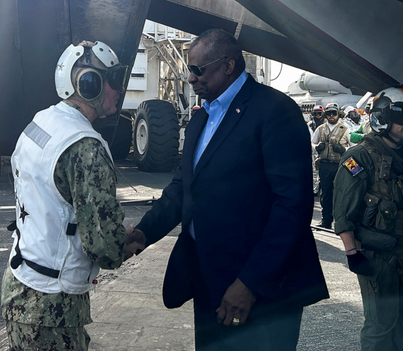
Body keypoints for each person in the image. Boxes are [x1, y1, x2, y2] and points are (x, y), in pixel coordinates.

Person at [130, 28, 328, 350]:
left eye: (198, 70)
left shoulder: (275, 111)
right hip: (209, 277)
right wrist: (143, 232)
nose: (191, 78)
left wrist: (250, 282)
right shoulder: (201, 118)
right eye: (188, 69)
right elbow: (183, 186)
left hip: (259, 287)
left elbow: (292, 205)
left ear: (228, 65)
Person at [1, 41, 145, 351]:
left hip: (19, 286)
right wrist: (124, 241)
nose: (119, 90)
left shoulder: (42, 122)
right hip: (53, 308)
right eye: (113, 81)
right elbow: (103, 247)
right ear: (88, 83)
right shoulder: (86, 147)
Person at [333, 87, 403, 351]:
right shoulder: (359, 157)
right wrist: (352, 252)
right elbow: (344, 212)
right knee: (380, 327)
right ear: (382, 116)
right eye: (402, 116)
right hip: (378, 257)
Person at [311, 102, 351, 229]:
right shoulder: (320, 129)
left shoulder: (345, 130)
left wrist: (344, 150)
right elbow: (311, 143)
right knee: (326, 193)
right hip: (324, 165)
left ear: (338, 114)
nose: (332, 116)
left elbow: (353, 147)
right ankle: (326, 220)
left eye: (334, 113)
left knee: (341, 194)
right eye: (329, 113)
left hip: (340, 165)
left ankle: (340, 222)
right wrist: (317, 147)